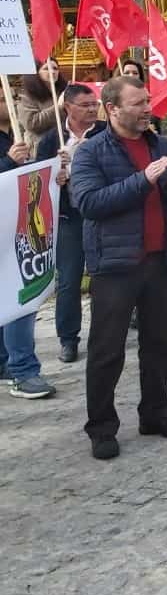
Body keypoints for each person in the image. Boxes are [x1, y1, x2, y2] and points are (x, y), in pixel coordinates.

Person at [69, 76, 167, 459]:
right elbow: (90, 203)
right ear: (112, 109)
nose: (147, 109)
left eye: (147, 101)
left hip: (159, 261)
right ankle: (101, 428)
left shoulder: (164, 145)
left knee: (157, 344)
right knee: (107, 351)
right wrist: (144, 180)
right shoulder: (91, 152)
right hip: (115, 266)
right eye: (138, 103)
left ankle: (155, 414)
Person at [36, 83, 105, 363]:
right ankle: (68, 338)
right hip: (68, 216)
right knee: (68, 279)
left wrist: (91, 156)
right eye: (85, 105)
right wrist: (57, 175)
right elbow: (38, 182)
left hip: (101, 214)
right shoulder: (51, 140)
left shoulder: (105, 133)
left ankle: (104, 333)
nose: (92, 110)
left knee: (104, 277)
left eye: (94, 105)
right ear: (68, 107)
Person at [0, 91, 56, 399]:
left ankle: (7, 363)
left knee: (13, 296)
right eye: (2, 98)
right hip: (6, 230)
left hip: (16, 227)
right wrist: (9, 162)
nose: (8, 102)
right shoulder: (10, 146)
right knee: (18, 298)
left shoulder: (15, 136)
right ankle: (23, 371)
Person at [14, 59, 67, 150]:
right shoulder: (26, 96)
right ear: (36, 72)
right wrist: (58, 108)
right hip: (41, 147)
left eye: (55, 68)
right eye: (46, 69)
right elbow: (31, 123)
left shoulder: (63, 92)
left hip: (65, 144)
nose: (52, 72)